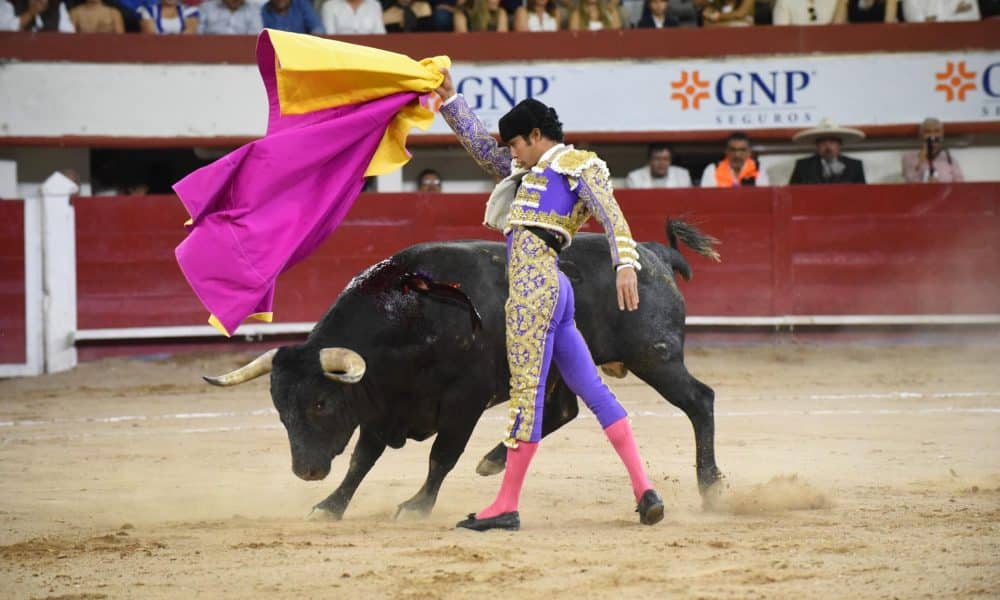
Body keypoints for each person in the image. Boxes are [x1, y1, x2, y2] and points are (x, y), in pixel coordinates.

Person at [433, 69, 664, 532]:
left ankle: (505, 505)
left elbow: (611, 215)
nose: (509, 153)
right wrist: (449, 99)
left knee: (526, 396)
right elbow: (484, 150)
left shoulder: (579, 164)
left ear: (536, 136)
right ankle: (644, 489)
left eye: (515, 144)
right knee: (592, 389)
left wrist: (625, 264)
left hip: (534, 287)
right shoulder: (532, 170)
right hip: (553, 289)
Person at [789, 119, 867, 185]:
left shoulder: (854, 166)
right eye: (823, 143)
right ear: (817, 145)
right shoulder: (803, 166)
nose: (828, 147)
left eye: (832, 142)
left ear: (839, 145)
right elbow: (792, 194)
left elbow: (862, 194)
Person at [901, 117, 965, 182]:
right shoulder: (909, 157)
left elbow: (960, 184)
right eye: (928, 132)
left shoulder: (948, 158)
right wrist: (920, 161)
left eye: (936, 131)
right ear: (921, 135)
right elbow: (909, 180)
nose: (932, 135)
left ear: (941, 135)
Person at [700, 132, 769, 187]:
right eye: (733, 150)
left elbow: (763, 196)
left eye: (742, 150)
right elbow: (707, 198)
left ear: (749, 152)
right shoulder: (713, 169)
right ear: (726, 151)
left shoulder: (757, 168)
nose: (737, 155)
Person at [625, 144, 692, 188]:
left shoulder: (683, 176)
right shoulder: (634, 178)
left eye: (665, 159)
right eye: (657, 159)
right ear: (649, 160)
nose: (661, 163)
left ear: (670, 160)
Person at [0, 0, 74, 30]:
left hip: (47, 59)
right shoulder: (9, 3)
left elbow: (68, 33)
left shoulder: (57, 6)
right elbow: (5, 30)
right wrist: (31, 13)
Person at [321, 0, 386, 33]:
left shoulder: (374, 5)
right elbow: (329, 37)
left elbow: (380, 34)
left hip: (369, 51)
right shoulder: (330, 5)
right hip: (340, 51)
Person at [197, 0, 261, 33]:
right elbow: (197, 35)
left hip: (242, 53)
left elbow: (254, 39)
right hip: (210, 51)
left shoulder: (254, 10)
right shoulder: (206, 8)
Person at [772, 0, 848, 23]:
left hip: (828, 53)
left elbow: (838, 34)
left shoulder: (836, 2)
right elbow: (781, 37)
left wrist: (841, 4)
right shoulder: (784, 2)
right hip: (797, 55)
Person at [901, 0, 981, 20]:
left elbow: (971, 18)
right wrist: (953, 11)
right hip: (926, 51)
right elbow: (919, 24)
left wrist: (935, 18)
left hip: (964, 47)